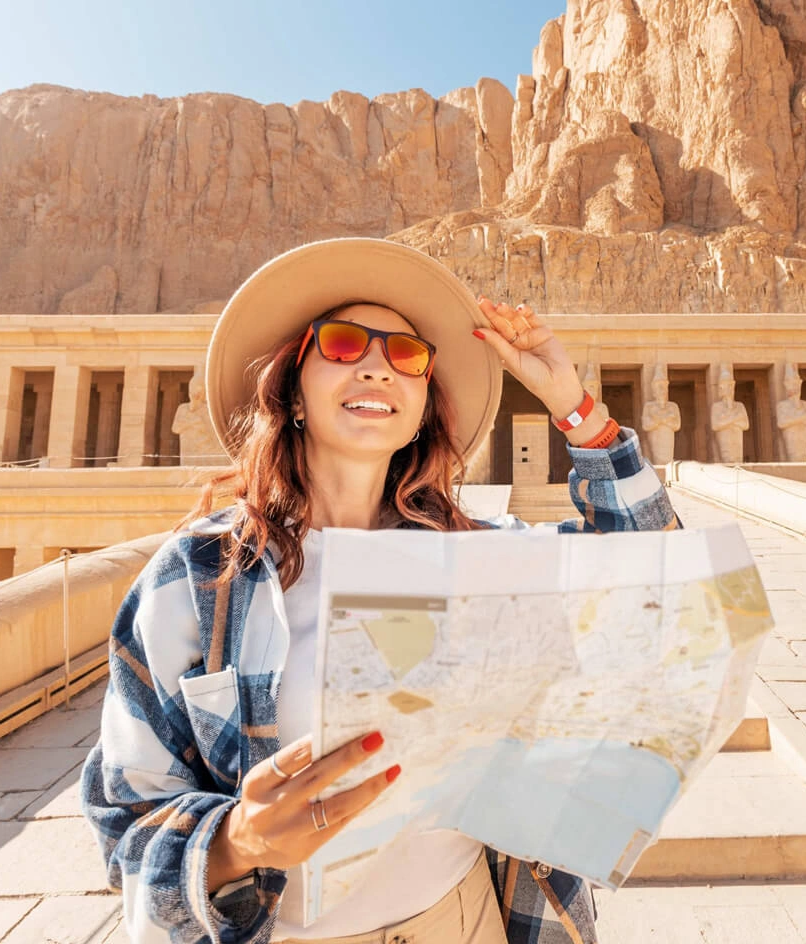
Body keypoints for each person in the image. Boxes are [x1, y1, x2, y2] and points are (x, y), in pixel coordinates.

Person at [81, 238, 680, 944]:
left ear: (424, 404)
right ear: (292, 388)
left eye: (408, 355)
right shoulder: (199, 578)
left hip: (468, 919)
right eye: (342, 344)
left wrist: (575, 405)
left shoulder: (476, 557)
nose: (377, 365)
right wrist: (236, 841)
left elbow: (658, 577)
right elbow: (126, 819)